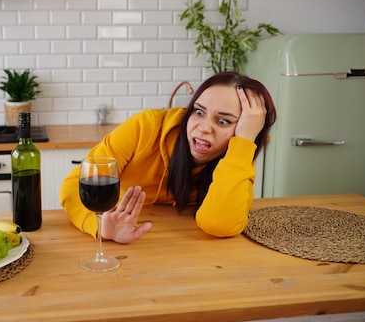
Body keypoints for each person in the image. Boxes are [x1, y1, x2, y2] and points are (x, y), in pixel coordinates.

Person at [58, 71, 277, 243]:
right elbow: (73, 185)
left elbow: (219, 224)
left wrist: (244, 144)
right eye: (199, 112)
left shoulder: (237, 154)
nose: (203, 128)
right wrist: (100, 228)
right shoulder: (146, 127)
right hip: (128, 239)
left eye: (223, 121)